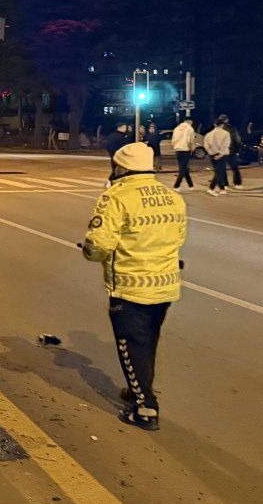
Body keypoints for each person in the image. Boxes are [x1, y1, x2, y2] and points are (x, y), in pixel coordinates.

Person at [81, 142, 187, 431]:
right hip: (164, 285)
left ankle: (145, 409)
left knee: (130, 345)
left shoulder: (116, 197)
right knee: (148, 341)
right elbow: (178, 238)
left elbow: (99, 245)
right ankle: (137, 387)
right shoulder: (172, 197)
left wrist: (88, 251)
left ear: (121, 168)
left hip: (130, 285)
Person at [203, 117, 232, 196]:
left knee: (218, 171)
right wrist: (220, 154)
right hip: (222, 155)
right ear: (222, 125)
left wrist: (210, 152)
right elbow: (225, 145)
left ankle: (216, 189)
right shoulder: (226, 133)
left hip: (212, 154)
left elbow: (206, 145)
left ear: (214, 125)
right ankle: (216, 189)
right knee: (219, 171)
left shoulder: (209, 134)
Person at [170, 118, 196, 192]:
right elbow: (190, 141)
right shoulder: (190, 129)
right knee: (183, 169)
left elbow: (173, 140)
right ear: (189, 121)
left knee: (184, 168)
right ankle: (176, 185)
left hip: (178, 150)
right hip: (185, 150)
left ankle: (191, 185)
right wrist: (192, 149)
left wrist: (175, 147)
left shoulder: (176, 128)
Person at [223, 115, 244, 189]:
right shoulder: (232, 128)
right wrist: (237, 150)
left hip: (221, 151)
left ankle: (225, 184)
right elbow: (238, 140)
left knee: (222, 169)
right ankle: (237, 184)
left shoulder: (217, 130)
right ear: (227, 120)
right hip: (231, 151)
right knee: (235, 168)